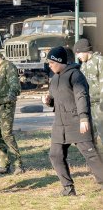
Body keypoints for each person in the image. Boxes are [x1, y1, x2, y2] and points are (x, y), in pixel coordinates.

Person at [42, 46, 103, 195]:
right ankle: (68, 188)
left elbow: (81, 97)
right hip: (59, 124)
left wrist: (83, 118)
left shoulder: (75, 75)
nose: (49, 66)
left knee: (90, 154)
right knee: (55, 155)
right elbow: (55, 99)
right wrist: (48, 101)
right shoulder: (54, 78)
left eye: (51, 62)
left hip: (76, 121)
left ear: (59, 61)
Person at [73, 38, 103, 145]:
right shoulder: (83, 65)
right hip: (89, 106)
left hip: (100, 106)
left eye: (78, 53)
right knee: (90, 138)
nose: (78, 56)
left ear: (85, 50)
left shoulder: (99, 61)